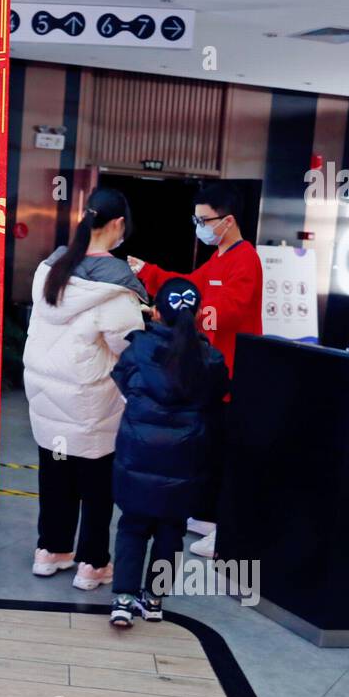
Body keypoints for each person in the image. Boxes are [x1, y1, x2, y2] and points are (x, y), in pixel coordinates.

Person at [127, 182, 263, 558]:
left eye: (205, 220)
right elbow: (190, 286)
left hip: (233, 372)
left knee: (223, 452)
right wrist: (149, 273)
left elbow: (228, 308)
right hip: (209, 369)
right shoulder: (219, 256)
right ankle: (205, 515)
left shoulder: (245, 259)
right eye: (196, 219)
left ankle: (225, 531)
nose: (199, 226)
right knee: (207, 447)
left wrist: (182, 314)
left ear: (229, 220)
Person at [22, 187, 146, 591]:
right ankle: (92, 564)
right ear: (118, 225)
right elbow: (129, 349)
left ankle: (51, 551)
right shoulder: (115, 286)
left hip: (48, 400)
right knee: (96, 487)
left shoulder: (52, 268)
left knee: (56, 475)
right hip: (93, 404)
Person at [107, 278, 228, 627]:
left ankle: (123, 599)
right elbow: (216, 399)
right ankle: (154, 599)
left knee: (132, 526)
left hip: (138, 455)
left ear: (156, 312)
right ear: (200, 314)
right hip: (186, 459)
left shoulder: (138, 350)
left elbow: (123, 383)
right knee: (171, 529)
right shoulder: (211, 359)